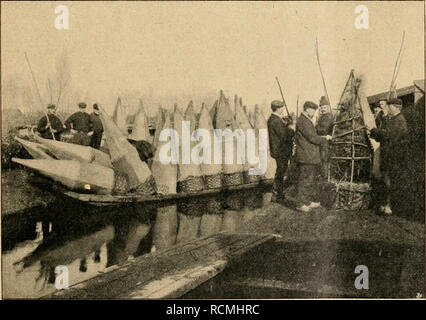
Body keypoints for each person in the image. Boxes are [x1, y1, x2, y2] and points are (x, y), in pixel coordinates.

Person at [369, 98, 408, 215]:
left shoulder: (400, 121)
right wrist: (375, 134)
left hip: (394, 157)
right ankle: (386, 204)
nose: (387, 108)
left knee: (391, 182)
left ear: (396, 107)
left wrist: (375, 131)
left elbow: (388, 135)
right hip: (387, 155)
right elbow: (383, 135)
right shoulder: (391, 119)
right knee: (386, 180)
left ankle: (390, 205)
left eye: (389, 106)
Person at [294, 101, 332, 212]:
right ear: (307, 109)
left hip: (309, 156)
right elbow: (312, 138)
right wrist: (325, 138)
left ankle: (307, 201)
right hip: (306, 156)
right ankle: (300, 204)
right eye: (313, 110)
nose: (314, 113)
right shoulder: (304, 121)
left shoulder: (305, 120)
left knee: (309, 180)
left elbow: (312, 136)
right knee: (305, 180)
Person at [267, 100, 295, 199]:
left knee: (280, 170)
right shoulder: (276, 120)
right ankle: (278, 192)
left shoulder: (273, 119)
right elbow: (284, 136)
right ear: (278, 109)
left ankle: (277, 191)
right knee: (281, 171)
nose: (283, 109)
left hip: (278, 150)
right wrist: (291, 128)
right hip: (281, 151)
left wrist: (286, 124)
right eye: (282, 108)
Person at [316, 96, 334, 178]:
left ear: (328, 107)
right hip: (321, 139)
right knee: (321, 157)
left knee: (324, 157)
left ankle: (325, 175)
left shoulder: (328, 116)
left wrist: (315, 129)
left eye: (325, 107)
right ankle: (322, 174)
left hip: (325, 139)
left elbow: (323, 129)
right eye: (322, 107)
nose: (323, 109)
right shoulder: (322, 117)